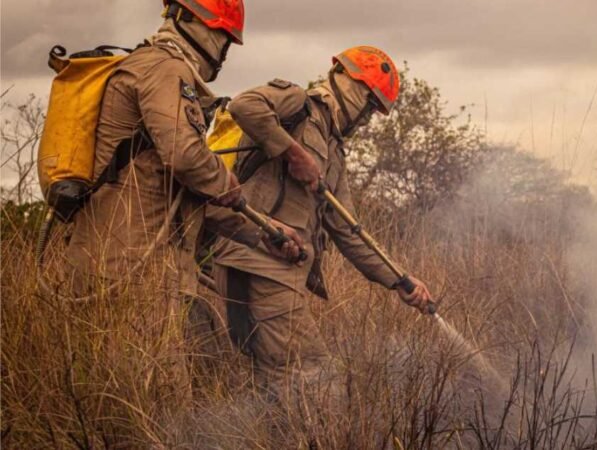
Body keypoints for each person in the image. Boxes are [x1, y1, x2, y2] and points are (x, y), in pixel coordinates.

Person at [63, 0, 304, 398]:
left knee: (119, 400)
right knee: (157, 401)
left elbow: (190, 199)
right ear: (190, 20)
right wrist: (224, 179)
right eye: (222, 39)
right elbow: (187, 158)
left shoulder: (155, 69)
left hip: (124, 268)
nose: (222, 53)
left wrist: (266, 231)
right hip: (134, 273)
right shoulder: (165, 69)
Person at [210, 46, 434, 394]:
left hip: (250, 262)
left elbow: (349, 231)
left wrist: (401, 282)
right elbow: (244, 105)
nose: (368, 119)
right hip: (265, 264)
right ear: (351, 85)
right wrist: (294, 153)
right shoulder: (297, 102)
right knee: (312, 376)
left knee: (270, 382)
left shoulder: (333, 151)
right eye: (371, 105)